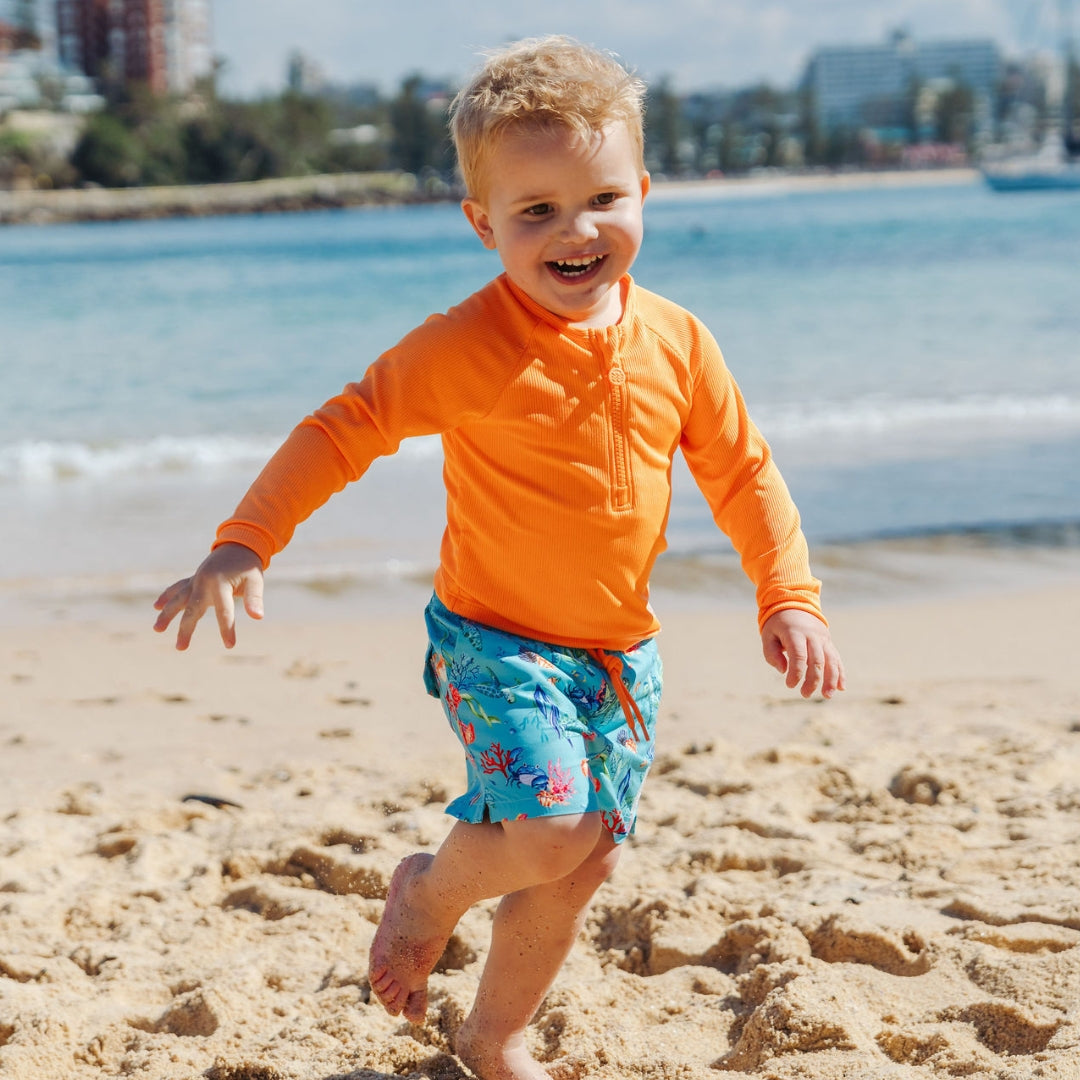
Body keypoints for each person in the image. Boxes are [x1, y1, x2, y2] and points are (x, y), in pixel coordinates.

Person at [153, 35, 845, 1080]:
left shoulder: (679, 341)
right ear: (484, 224)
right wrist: (244, 541)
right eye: (538, 212)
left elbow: (743, 473)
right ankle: (425, 893)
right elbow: (346, 427)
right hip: (495, 641)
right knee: (554, 824)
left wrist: (787, 596)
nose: (578, 232)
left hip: (619, 654)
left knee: (582, 861)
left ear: (645, 191)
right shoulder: (467, 346)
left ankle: (496, 1036)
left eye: (604, 198)